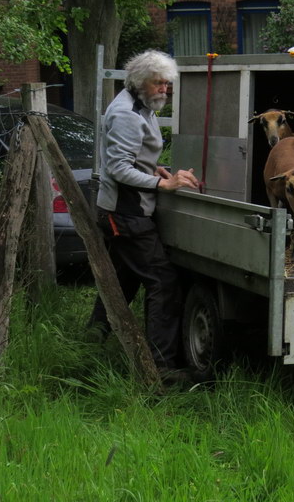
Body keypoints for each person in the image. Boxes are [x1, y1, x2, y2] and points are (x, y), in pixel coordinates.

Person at [86, 49, 199, 382]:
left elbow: (131, 158)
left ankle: (93, 339)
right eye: (157, 83)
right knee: (163, 281)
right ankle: (161, 367)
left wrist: (158, 169)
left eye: (167, 83)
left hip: (126, 209)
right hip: (126, 214)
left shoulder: (141, 107)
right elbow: (118, 168)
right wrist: (161, 185)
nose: (164, 89)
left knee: (121, 280)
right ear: (138, 82)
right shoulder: (126, 114)